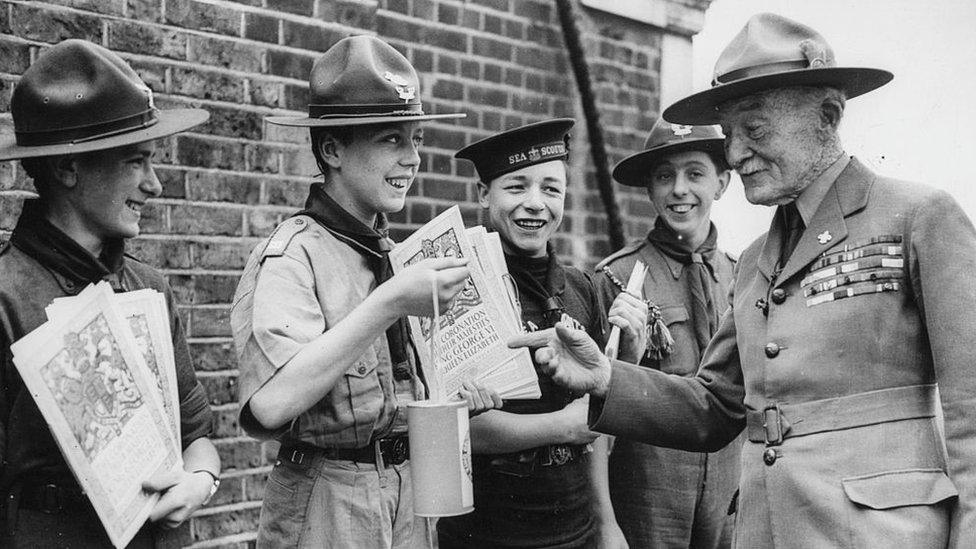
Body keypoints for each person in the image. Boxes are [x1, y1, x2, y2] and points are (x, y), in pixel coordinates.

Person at [510, 12, 976, 549]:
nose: (734, 153)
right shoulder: (758, 258)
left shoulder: (918, 217)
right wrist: (605, 378)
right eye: (730, 135)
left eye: (754, 130)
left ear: (827, 115)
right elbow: (718, 404)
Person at [229, 35, 501, 549]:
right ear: (332, 149)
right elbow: (270, 404)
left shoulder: (391, 252)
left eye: (415, 140)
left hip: (407, 493)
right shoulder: (293, 255)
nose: (413, 158)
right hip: (329, 500)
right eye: (390, 140)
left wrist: (458, 399)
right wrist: (392, 301)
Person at [0, 40, 221, 547]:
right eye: (136, 162)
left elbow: (198, 438)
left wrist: (199, 482)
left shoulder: (150, 288)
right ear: (66, 168)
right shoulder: (6, 298)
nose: (156, 185)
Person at [437, 119, 646, 549]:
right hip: (486, 533)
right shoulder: (453, 287)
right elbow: (449, 428)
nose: (535, 204)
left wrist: (606, 524)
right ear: (483, 194)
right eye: (517, 187)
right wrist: (562, 426)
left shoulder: (581, 287)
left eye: (551, 189)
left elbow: (594, 427)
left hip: (574, 529)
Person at [595, 119, 740, 548]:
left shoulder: (743, 275)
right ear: (650, 190)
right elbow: (595, 413)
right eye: (664, 176)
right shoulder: (618, 278)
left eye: (695, 173)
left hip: (729, 494)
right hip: (648, 494)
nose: (679, 189)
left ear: (723, 183)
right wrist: (606, 522)